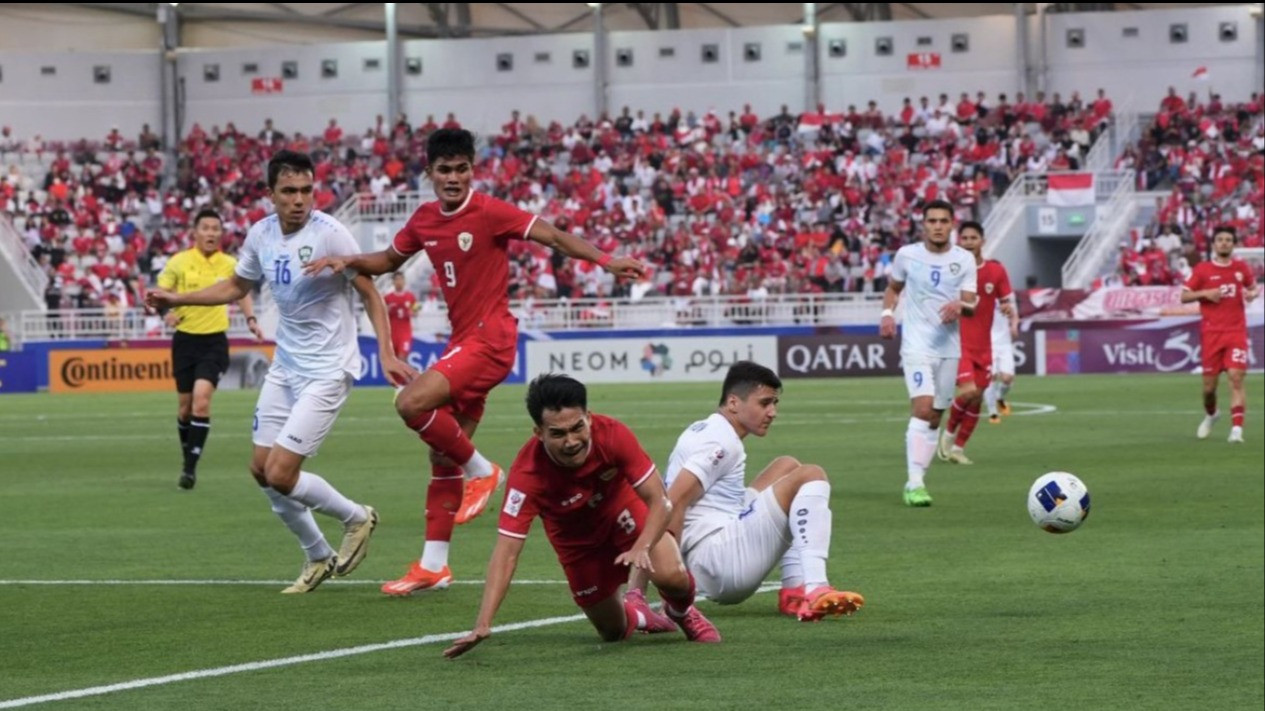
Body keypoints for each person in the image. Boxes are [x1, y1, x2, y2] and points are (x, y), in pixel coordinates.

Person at [304, 129, 646, 596]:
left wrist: (605, 259)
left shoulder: (490, 212)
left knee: (409, 403)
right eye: (444, 170)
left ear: (472, 170)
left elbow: (554, 237)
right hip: (463, 341)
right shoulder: (425, 220)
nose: (454, 178)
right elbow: (386, 260)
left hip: (491, 340)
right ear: (430, 173)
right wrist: (347, 259)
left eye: (462, 168)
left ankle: (484, 470)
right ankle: (433, 565)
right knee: (442, 453)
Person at [148, 150, 415, 593]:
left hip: (328, 370)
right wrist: (176, 300)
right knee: (259, 468)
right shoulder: (261, 234)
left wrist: (386, 353)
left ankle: (356, 517)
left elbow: (369, 292)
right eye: (289, 191)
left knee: (280, 473)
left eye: (307, 190)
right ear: (270, 194)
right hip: (287, 365)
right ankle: (317, 554)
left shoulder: (331, 234)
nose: (299, 199)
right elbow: (237, 286)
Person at [442, 374, 719, 659]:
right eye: (558, 434)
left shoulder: (613, 434)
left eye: (577, 428)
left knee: (672, 575)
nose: (571, 441)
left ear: (589, 417)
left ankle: (681, 611)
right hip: (576, 543)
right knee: (613, 632)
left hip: (622, 511)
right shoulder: (527, 476)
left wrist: (643, 546)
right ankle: (640, 614)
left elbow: (660, 501)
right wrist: (483, 623)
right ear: (539, 433)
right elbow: (506, 552)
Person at [631, 361, 864, 622]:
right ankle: (816, 587)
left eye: (775, 403)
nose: (773, 412)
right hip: (718, 562)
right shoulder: (721, 443)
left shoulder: (706, 427)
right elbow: (673, 502)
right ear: (733, 403)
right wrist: (672, 587)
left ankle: (794, 590)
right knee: (811, 475)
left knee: (786, 466)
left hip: (710, 545)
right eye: (764, 403)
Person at [879, 199, 978, 507]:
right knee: (922, 409)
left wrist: (960, 306)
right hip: (916, 346)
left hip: (949, 349)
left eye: (943, 221)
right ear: (923, 225)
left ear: (952, 225)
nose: (937, 226)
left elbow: (972, 303)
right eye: (932, 221)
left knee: (936, 416)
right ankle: (914, 482)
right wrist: (886, 313)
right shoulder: (907, 255)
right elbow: (894, 288)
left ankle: (919, 474)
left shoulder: (963, 260)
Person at [157, 208, 264, 490]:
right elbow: (160, 294)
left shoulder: (229, 264)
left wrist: (251, 319)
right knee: (184, 409)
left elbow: (241, 293)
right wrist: (165, 313)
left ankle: (190, 469)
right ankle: (187, 457)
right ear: (195, 231)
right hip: (185, 341)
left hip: (215, 342)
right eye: (206, 228)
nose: (211, 233)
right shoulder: (179, 262)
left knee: (201, 401)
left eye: (216, 228)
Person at [938, 222, 1014, 464]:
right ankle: (948, 436)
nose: (969, 241)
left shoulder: (996, 271)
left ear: (983, 241)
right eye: (965, 238)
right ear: (959, 242)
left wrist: (1006, 307)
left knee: (978, 397)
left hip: (985, 345)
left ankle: (959, 449)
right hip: (959, 343)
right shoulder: (951, 272)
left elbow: (1006, 300)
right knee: (968, 391)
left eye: (973, 237)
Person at [1181, 226, 1260, 443]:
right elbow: (1184, 296)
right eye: (1220, 239)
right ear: (1214, 244)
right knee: (1208, 389)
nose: (1224, 242)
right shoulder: (1202, 270)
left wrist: (1251, 294)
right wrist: (1205, 293)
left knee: (1236, 378)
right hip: (1211, 335)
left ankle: (1236, 431)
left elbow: (1253, 288)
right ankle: (1212, 414)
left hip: (1236, 332)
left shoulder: (1241, 267)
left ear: (1233, 244)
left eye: (1228, 239)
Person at [983, 296, 1020, 424]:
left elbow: (1014, 315)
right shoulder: (984, 293)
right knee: (991, 376)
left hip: (1005, 343)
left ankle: (999, 397)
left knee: (1007, 378)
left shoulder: (1008, 296)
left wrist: (1014, 326)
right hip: (987, 342)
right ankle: (992, 412)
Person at [383, 271, 418, 360]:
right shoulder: (387, 298)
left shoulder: (411, 297)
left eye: (401, 279)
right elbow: (382, 314)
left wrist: (410, 312)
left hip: (405, 333)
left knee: (402, 357)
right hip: (392, 334)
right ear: (393, 282)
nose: (399, 282)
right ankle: (401, 374)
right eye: (397, 280)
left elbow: (416, 312)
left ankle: (405, 374)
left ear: (404, 281)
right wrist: (388, 310)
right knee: (394, 360)